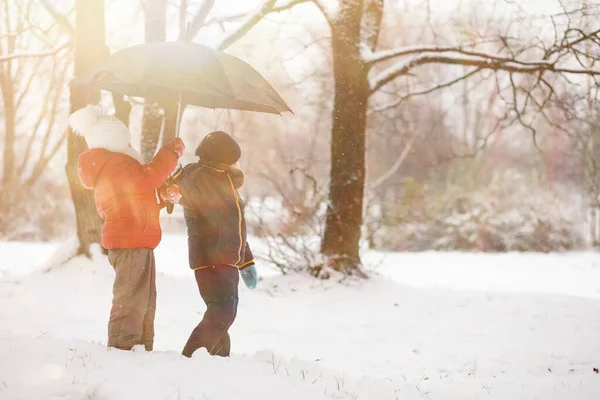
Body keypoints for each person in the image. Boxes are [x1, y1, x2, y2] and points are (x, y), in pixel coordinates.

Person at [70, 105, 185, 351]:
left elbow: (138, 199)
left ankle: (141, 347)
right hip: (131, 242)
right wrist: (170, 153)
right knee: (131, 299)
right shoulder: (115, 165)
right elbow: (149, 177)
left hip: (138, 240)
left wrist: (164, 198)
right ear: (114, 141)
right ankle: (122, 349)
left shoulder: (118, 165)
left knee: (144, 300)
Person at [173, 130, 258, 358]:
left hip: (225, 257)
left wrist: (246, 261)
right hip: (211, 256)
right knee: (224, 311)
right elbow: (188, 195)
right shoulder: (199, 176)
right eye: (231, 158)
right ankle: (191, 357)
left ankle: (218, 361)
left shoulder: (223, 180)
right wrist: (174, 181)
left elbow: (235, 226)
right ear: (220, 157)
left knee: (220, 311)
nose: (234, 163)